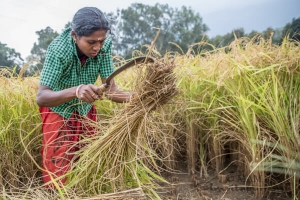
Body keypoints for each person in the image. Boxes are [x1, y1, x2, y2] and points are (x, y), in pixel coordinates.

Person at [36, 7, 132, 188]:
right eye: (91, 42)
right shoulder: (59, 50)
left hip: (85, 111)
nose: (97, 47)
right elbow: (42, 97)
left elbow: (111, 90)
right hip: (58, 111)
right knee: (58, 169)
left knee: (89, 162)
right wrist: (76, 91)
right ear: (75, 35)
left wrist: (142, 96)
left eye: (101, 41)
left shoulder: (105, 46)